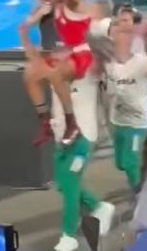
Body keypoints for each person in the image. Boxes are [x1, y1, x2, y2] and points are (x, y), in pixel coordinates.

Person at [18, 0, 112, 145]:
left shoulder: (74, 2)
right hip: (68, 53)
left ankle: (72, 122)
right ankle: (44, 121)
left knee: (56, 73)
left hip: (84, 52)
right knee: (30, 74)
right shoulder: (53, 3)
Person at [51, 73, 115, 251]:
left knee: (70, 187)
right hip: (62, 140)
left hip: (82, 140)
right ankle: (98, 207)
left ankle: (68, 235)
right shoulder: (55, 72)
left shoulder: (87, 73)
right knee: (63, 185)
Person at [105, 21, 147, 192]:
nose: (114, 38)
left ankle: (141, 196)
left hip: (137, 123)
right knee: (121, 163)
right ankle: (144, 179)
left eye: (121, 33)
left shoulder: (140, 62)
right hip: (118, 121)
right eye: (113, 34)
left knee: (130, 163)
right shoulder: (108, 64)